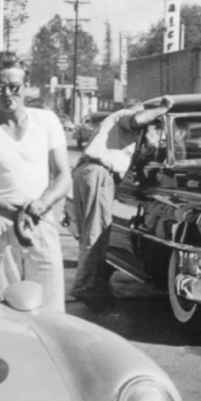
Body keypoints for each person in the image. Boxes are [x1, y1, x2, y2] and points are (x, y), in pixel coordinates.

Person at [0, 52, 71, 312]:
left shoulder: (47, 121)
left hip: (40, 219)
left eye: (14, 87)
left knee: (50, 307)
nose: (7, 94)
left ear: (27, 86)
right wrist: (16, 215)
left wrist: (41, 205)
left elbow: (63, 175)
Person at [70, 96, 174, 304]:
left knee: (89, 231)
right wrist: (163, 109)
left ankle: (89, 282)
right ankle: (85, 287)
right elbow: (137, 120)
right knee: (96, 231)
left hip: (86, 171)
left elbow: (146, 147)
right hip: (100, 173)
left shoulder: (115, 129)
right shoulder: (124, 116)